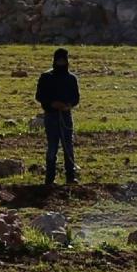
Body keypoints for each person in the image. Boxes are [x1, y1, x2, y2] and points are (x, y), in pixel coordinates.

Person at [36, 48, 81, 185]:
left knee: (68, 146)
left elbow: (76, 98)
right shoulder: (46, 77)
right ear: (55, 61)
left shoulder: (71, 79)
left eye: (63, 60)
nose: (61, 63)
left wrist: (68, 105)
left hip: (66, 116)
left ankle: (70, 177)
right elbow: (39, 96)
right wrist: (52, 104)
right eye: (59, 60)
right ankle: (50, 178)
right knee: (53, 147)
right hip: (51, 116)